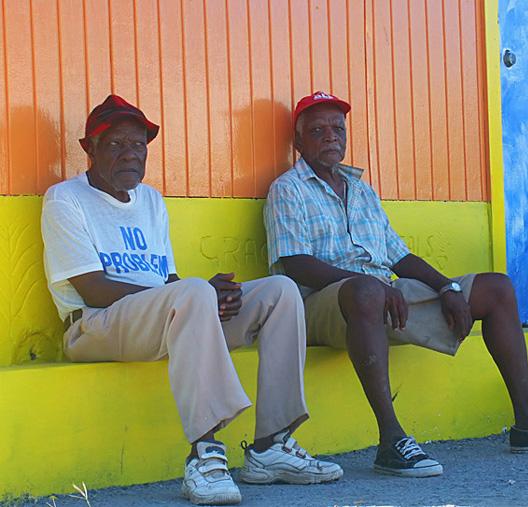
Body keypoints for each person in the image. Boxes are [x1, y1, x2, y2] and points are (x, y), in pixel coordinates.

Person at [263, 91, 528, 478]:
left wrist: (447, 288)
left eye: (338, 129)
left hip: (380, 296)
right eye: (317, 130)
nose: (331, 136)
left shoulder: (360, 190)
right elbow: (296, 264)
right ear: (298, 142)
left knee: (496, 288)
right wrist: (373, 285)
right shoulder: (288, 189)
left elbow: (398, 256)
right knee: (367, 290)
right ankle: (391, 440)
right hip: (320, 306)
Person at [41, 94, 342, 506]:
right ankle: (204, 455)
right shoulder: (65, 198)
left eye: (139, 145)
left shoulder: (151, 200)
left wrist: (211, 299)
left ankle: (271, 446)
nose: (130, 154)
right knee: (196, 292)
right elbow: (93, 290)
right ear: (88, 148)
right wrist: (194, 295)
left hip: (157, 321)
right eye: (115, 144)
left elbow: (169, 281)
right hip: (94, 325)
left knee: (280, 292)